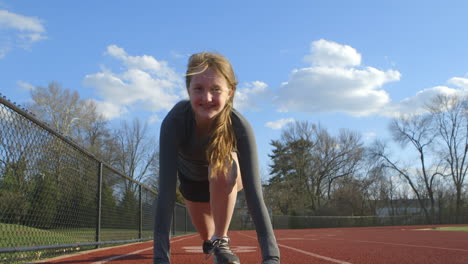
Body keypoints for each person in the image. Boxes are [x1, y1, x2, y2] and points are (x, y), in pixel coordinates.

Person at [153, 52, 280, 264]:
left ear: (230, 92)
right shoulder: (174, 121)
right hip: (192, 184)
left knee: (224, 166)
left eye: (216, 90)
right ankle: (211, 240)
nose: (207, 98)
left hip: (224, 181)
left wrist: (272, 258)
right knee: (206, 238)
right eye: (198, 89)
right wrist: (160, 259)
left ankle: (221, 240)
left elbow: (255, 194)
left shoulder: (239, 126)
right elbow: (165, 194)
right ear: (188, 90)